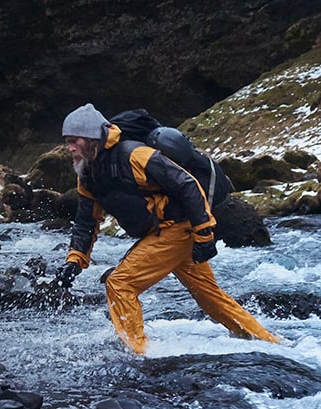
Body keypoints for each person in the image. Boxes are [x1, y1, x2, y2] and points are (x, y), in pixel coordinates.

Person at [51, 103, 279, 354]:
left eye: (75, 141)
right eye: (67, 141)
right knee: (210, 297)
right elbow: (86, 221)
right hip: (166, 234)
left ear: (93, 138)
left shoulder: (135, 155)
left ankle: (138, 353)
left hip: (177, 230)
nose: (70, 148)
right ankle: (269, 344)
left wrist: (204, 234)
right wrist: (75, 261)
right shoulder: (87, 175)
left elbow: (188, 186)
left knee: (120, 284)